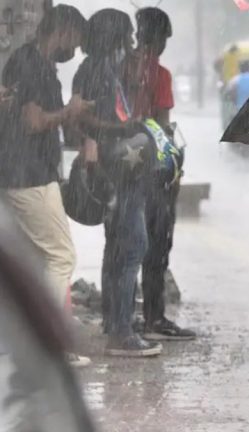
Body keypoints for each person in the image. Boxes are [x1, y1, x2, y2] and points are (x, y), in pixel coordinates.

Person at [0, 4, 92, 367]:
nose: (75, 48)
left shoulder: (27, 61)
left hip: (18, 172)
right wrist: (69, 112)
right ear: (64, 31)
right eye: (76, 39)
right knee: (60, 256)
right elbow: (33, 122)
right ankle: (47, 346)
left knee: (37, 258)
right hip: (30, 175)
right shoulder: (34, 66)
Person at [72, 8, 161, 357]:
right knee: (131, 247)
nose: (132, 41)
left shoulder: (106, 68)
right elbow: (84, 118)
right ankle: (121, 333)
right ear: (113, 36)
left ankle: (116, 321)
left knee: (119, 248)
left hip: (124, 172)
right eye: (127, 34)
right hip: (118, 172)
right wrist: (120, 131)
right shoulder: (95, 69)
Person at [123, 7, 196, 341]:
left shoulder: (123, 66)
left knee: (125, 245)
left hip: (123, 166)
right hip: (153, 172)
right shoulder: (159, 74)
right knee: (157, 245)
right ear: (160, 37)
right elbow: (163, 127)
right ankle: (155, 318)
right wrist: (173, 168)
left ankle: (121, 318)